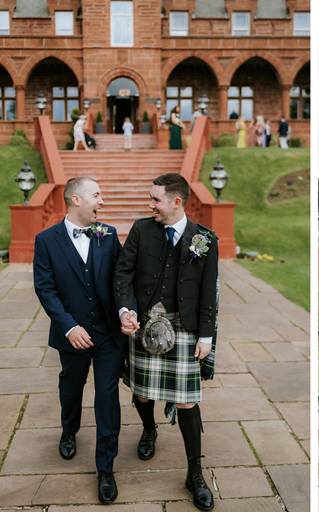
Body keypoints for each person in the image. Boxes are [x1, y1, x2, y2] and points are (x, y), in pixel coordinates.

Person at [114, 173, 218, 511]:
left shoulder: (204, 238)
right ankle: (149, 430)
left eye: (156, 199)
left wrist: (206, 336)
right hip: (145, 324)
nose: (150, 205)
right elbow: (123, 273)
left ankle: (195, 473)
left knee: (187, 401)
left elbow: (209, 291)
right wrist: (126, 309)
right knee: (142, 392)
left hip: (184, 328)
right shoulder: (142, 229)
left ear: (176, 202)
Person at [33, 177, 124, 505]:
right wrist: (69, 327)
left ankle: (105, 467)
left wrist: (126, 309)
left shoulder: (109, 234)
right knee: (70, 387)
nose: (103, 200)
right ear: (75, 200)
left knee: (107, 396)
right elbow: (45, 288)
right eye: (97, 195)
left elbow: (121, 277)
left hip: (108, 334)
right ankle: (69, 429)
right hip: (71, 334)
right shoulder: (45, 240)